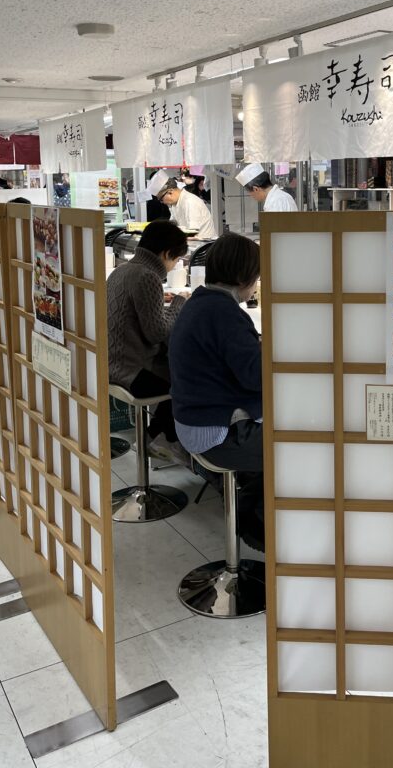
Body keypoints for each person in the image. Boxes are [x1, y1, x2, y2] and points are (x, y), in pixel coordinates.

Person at [169, 232, 264, 549]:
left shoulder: (200, 302)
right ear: (245, 277)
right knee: (301, 446)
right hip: (215, 434)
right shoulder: (225, 314)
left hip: (191, 422)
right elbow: (256, 377)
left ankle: (253, 517)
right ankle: (259, 528)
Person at [106, 220, 190, 440]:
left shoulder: (121, 271)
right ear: (166, 253)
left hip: (110, 367)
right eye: (176, 260)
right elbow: (158, 333)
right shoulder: (147, 276)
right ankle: (164, 440)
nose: (174, 265)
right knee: (191, 380)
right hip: (132, 374)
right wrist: (179, 303)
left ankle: (156, 435)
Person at [147, 168, 216, 240]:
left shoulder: (190, 202)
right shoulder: (174, 204)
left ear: (170, 192)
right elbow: (173, 224)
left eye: (161, 199)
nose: (162, 202)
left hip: (203, 244)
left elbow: (192, 233)